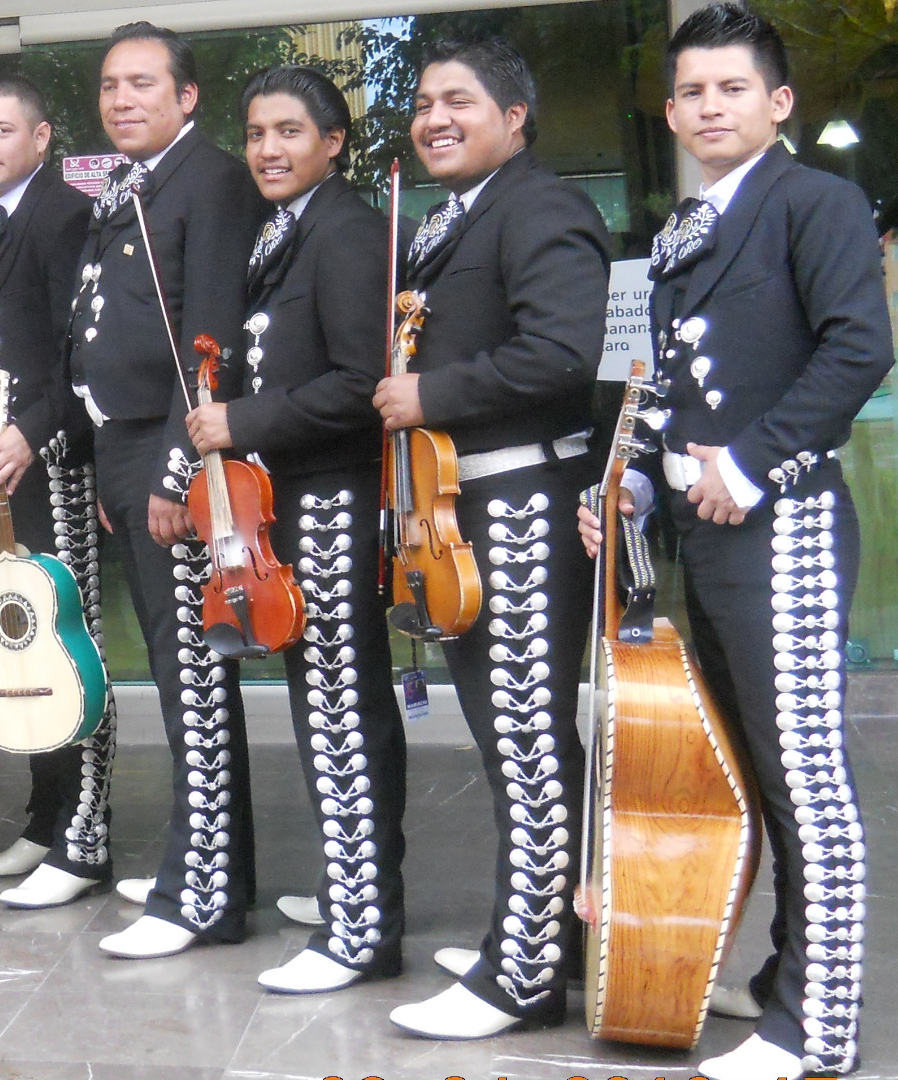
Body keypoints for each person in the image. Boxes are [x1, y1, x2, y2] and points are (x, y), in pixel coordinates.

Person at [578, 7, 887, 1077]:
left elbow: (859, 347)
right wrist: (625, 494)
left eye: (733, 89)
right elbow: (662, 394)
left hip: (783, 520)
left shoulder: (817, 201)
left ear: (779, 102)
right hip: (704, 535)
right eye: (693, 93)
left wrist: (751, 463)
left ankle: (818, 1026)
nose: (712, 107)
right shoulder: (685, 231)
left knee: (805, 777)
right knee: (752, 771)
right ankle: (783, 977)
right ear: (671, 111)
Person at [371, 38, 608, 1038]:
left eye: (458, 101)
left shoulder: (544, 206)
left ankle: (526, 972)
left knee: (526, 742)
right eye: (424, 102)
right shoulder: (439, 224)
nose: (434, 118)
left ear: (515, 117)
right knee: (507, 736)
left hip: (518, 508)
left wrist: (431, 392)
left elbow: (562, 353)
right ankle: (538, 933)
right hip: (456, 513)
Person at [180, 66, 404, 993]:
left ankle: (363, 928)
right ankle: (353, 890)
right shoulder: (293, 229)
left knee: (344, 707)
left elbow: (359, 385)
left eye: (289, 132)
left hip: (333, 497)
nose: (269, 149)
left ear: (334, 142)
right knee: (325, 707)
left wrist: (243, 425)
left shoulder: (348, 233)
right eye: (257, 133)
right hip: (295, 497)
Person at [63, 21, 261, 958]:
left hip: (179, 453)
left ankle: (204, 894)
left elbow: (211, 332)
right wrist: (118, 465)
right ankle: (213, 866)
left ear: (188, 97)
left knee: (192, 677)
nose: (122, 100)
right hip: (129, 445)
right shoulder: (131, 185)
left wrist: (180, 472)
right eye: (110, 85)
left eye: (143, 83)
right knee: (185, 673)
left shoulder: (210, 179)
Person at [0, 74, 112, 910]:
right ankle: (47, 821)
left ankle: (82, 832)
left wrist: (31, 433)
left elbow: (75, 353)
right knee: (24, 640)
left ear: (42, 139)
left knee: (64, 644)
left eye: (2, 131)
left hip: (48, 462)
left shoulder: (60, 215)